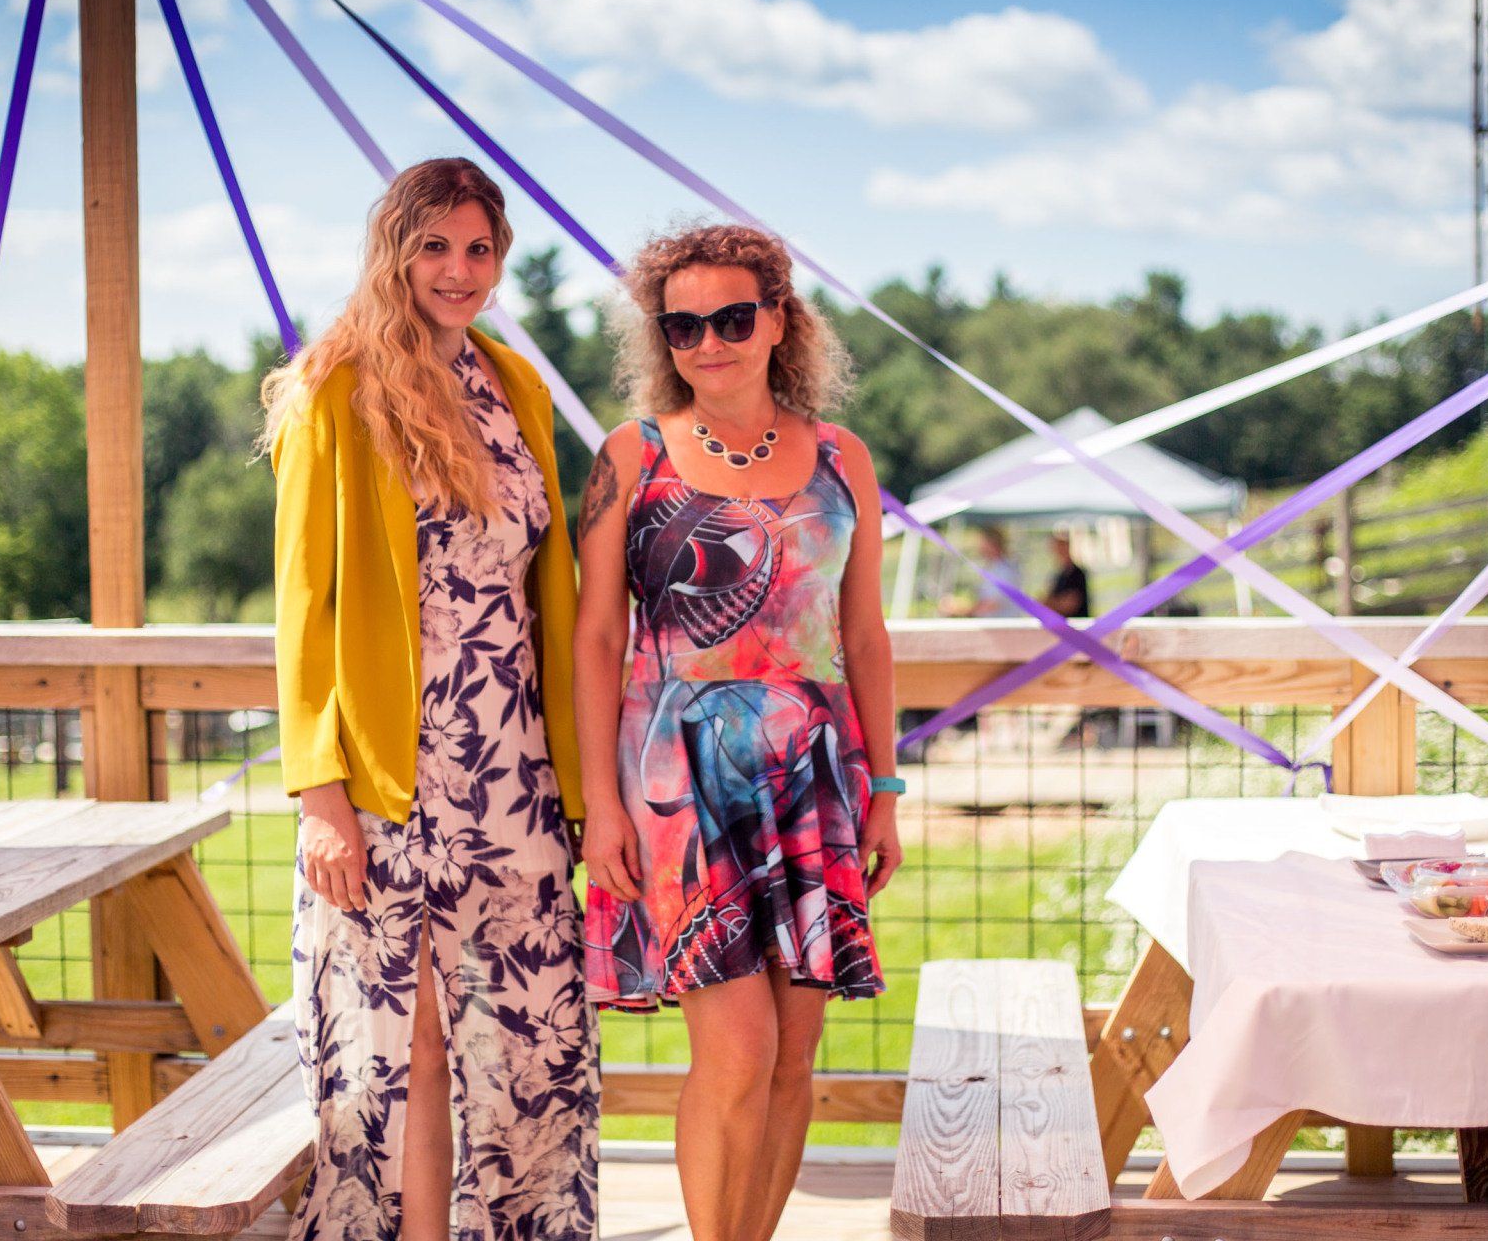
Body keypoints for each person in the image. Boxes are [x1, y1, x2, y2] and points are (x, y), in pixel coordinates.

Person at [265, 157, 598, 1241]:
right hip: (389, 780)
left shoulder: (516, 384)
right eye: (435, 247)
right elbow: (303, 605)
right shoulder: (335, 389)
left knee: (526, 1046)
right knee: (401, 1054)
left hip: (518, 771)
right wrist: (319, 793)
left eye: (479, 248)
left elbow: (548, 582)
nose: (459, 270)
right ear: (395, 252)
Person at [572, 223, 904, 1241]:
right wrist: (599, 805)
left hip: (815, 777)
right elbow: (596, 637)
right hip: (678, 780)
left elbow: (863, 633)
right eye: (684, 326)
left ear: (778, 321)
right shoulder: (630, 456)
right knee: (739, 1047)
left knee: (793, 1057)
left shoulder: (843, 457)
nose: (708, 342)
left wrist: (887, 790)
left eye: (731, 318)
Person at [939, 522, 1022, 618]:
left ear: (991, 544)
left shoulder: (1003, 571)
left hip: (999, 625)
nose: (978, 547)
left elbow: (992, 604)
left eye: (981, 542)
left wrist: (958, 610)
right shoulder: (993, 568)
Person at [1041, 528, 1091, 619]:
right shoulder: (1059, 574)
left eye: (1061, 545)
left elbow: (1070, 605)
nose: (1058, 550)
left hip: (1075, 624)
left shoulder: (1077, 573)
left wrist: (1050, 603)